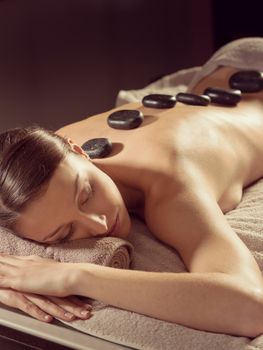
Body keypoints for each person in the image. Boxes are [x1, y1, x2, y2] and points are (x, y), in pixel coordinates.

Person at [1, 62, 263, 337]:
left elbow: (251, 307)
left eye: (87, 195)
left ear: (78, 151)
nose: (99, 224)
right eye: (65, 233)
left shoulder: (171, 190)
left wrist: (73, 277)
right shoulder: (41, 156)